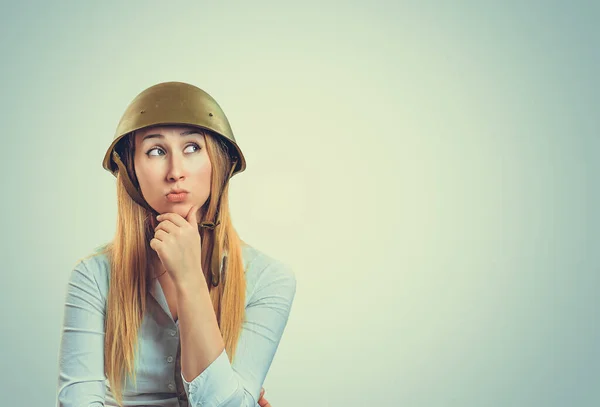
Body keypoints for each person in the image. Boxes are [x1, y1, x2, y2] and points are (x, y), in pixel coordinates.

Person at [56, 82, 296, 407]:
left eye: (193, 148)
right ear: (130, 170)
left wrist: (190, 280)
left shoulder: (269, 278)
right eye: (156, 151)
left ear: (219, 163)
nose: (176, 172)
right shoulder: (93, 276)